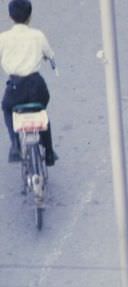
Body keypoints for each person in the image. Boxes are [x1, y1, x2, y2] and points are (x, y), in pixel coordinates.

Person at [0, 0, 57, 166]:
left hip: (15, 88)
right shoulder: (38, 35)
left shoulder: (3, 38)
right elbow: (50, 55)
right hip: (36, 86)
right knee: (41, 109)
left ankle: (16, 144)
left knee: (6, 107)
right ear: (29, 16)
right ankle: (49, 152)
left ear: (10, 16)